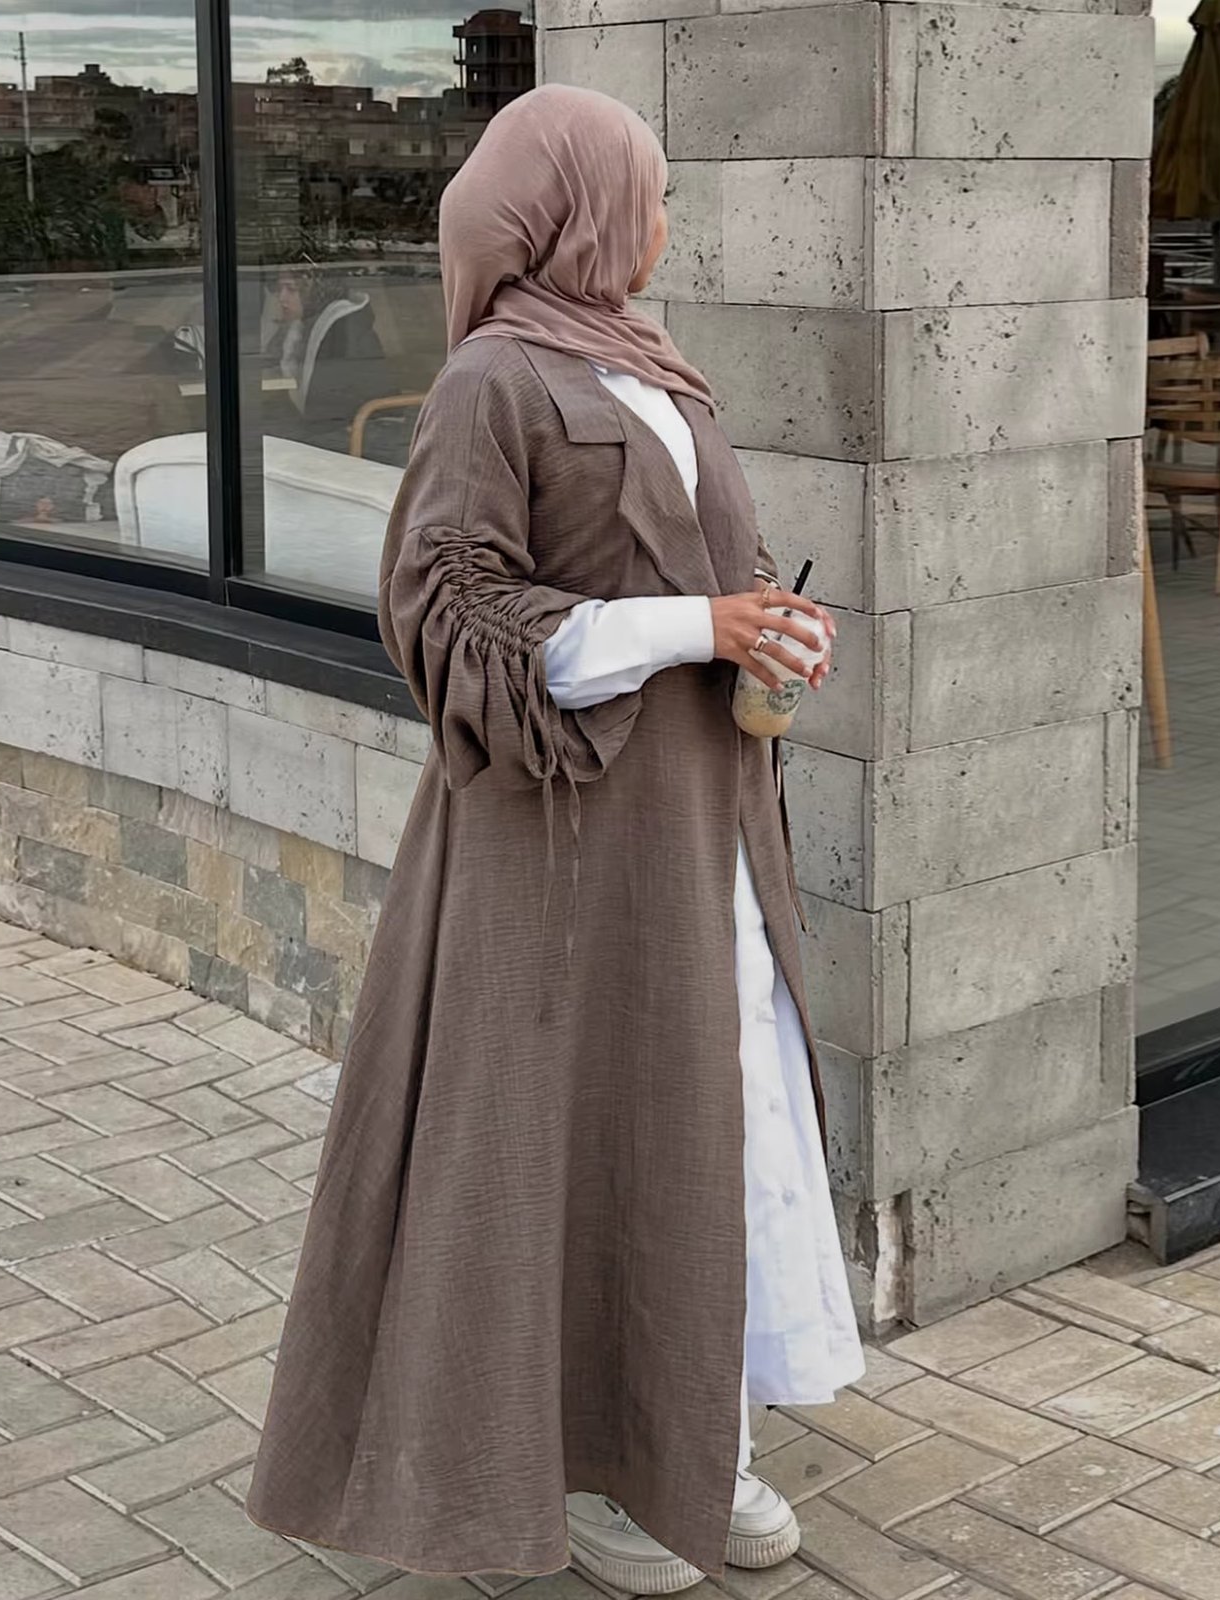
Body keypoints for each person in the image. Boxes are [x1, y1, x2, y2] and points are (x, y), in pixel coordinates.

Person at [246, 84, 864, 1592]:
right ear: (579, 207)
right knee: (579, 1138)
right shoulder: (493, 381)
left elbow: (713, 575)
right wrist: (693, 626)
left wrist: (770, 630)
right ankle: (593, 1471)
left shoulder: (652, 366)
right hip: (565, 846)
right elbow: (447, 614)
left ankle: (694, 1444)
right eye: (648, 192)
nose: (665, 221)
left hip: (705, 819)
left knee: (714, 1117)